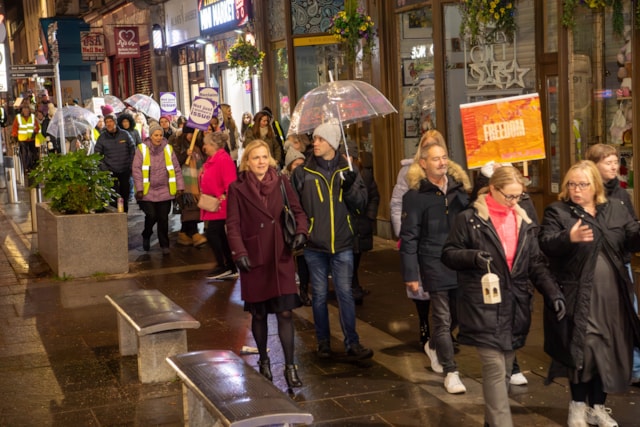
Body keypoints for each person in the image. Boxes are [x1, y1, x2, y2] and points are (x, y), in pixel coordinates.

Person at [441, 166, 566, 427]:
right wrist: (472, 257)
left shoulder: (524, 221)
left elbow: (535, 264)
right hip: (482, 304)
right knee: (495, 370)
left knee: (506, 369)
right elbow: (448, 253)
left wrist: (553, 292)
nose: (514, 201)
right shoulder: (469, 219)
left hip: (515, 305)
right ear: (493, 189)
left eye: (518, 196)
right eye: (509, 196)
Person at [539, 160, 640, 427]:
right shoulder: (558, 212)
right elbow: (545, 244)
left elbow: (632, 238)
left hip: (614, 298)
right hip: (579, 296)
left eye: (582, 184)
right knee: (583, 351)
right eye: (571, 184)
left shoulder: (615, 209)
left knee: (607, 352)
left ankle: (598, 407)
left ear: (595, 186)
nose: (576, 189)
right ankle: (577, 406)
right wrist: (567, 238)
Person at [226, 139, 308, 388]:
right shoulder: (237, 188)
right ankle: (263, 361)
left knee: (285, 312)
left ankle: (290, 366)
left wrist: (302, 232)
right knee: (259, 314)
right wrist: (239, 251)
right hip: (254, 257)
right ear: (247, 162)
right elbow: (232, 224)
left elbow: (299, 211)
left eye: (264, 157)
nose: (261, 162)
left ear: (270, 160)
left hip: (280, 255)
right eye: (256, 158)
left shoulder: (282, 182)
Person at [292, 121, 373, 360]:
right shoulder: (303, 172)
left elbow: (361, 205)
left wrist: (349, 188)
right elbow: (295, 207)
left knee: (345, 294)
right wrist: (304, 232)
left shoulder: (348, 170)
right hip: (315, 245)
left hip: (343, 244)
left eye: (320, 139)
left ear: (333, 143)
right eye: (314, 139)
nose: (314, 143)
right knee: (318, 296)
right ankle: (323, 343)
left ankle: (352, 343)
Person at [399, 138, 470, 394]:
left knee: (460, 315)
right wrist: (411, 274)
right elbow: (409, 238)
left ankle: (432, 345)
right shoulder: (415, 197)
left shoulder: (460, 191)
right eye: (436, 158)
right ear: (423, 163)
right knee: (442, 318)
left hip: (460, 261)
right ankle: (451, 371)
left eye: (444, 157)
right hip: (433, 262)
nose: (442, 162)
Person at [585, 144, 640, 385]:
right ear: (594, 165)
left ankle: (635, 368)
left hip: (621, 264)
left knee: (631, 314)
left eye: (615, 161)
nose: (614, 166)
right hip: (595, 267)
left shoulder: (620, 194)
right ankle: (601, 367)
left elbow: (632, 227)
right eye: (608, 162)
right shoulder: (584, 190)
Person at [132, 123, 184, 255]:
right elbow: (136, 170)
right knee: (151, 215)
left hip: (165, 190)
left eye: (161, 135)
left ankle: (164, 245)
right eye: (156, 135)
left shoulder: (168, 149)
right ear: (150, 136)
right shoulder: (142, 149)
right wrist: (139, 188)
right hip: (146, 190)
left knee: (163, 218)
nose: (159, 137)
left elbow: (176, 169)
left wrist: (180, 187)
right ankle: (146, 233)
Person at [343, 139, 379, 305]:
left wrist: (370, 216)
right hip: (348, 224)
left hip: (361, 222)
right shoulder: (340, 174)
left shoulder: (364, 174)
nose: (347, 158)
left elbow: (374, 196)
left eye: (349, 155)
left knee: (356, 257)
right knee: (349, 257)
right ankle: (353, 287)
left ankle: (353, 286)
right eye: (344, 154)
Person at [199, 131, 238, 280]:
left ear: (213, 145)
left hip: (221, 204)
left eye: (206, 144)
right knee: (219, 234)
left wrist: (224, 197)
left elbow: (231, 183)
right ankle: (228, 265)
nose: (204, 147)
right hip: (213, 204)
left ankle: (225, 265)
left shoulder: (223, 159)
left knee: (213, 233)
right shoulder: (213, 159)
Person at [170, 126, 207, 248]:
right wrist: (184, 155)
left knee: (193, 210)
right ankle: (195, 234)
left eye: (193, 133)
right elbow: (174, 162)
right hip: (185, 186)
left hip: (196, 184)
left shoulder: (197, 147)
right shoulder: (178, 147)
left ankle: (183, 234)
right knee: (189, 209)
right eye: (188, 133)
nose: (191, 136)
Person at [283, 147, 310, 306]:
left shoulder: (307, 178)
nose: (299, 167)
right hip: (289, 226)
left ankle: (304, 291)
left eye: (302, 163)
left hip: (302, 225)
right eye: (295, 164)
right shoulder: (283, 181)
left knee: (303, 260)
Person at [94, 114, 135, 212]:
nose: (108, 124)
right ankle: (116, 216)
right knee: (113, 196)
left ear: (115, 122)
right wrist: (104, 168)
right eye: (106, 122)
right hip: (110, 172)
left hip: (125, 170)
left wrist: (131, 165)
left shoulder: (125, 134)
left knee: (125, 194)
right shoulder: (102, 138)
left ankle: (124, 214)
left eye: (110, 121)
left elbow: (133, 150)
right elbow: (97, 155)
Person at [11, 104, 39, 178]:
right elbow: (15, 127)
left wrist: (35, 131)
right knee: (24, 154)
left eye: (27, 109)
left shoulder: (32, 117)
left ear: (29, 110)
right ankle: (26, 168)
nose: (26, 110)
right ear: (22, 110)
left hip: (31, 138)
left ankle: (33, 167)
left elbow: (37, 126)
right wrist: (14, 136)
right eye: (24, 109)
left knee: (34, 154)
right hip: (22, 139)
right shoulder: (18, 118)